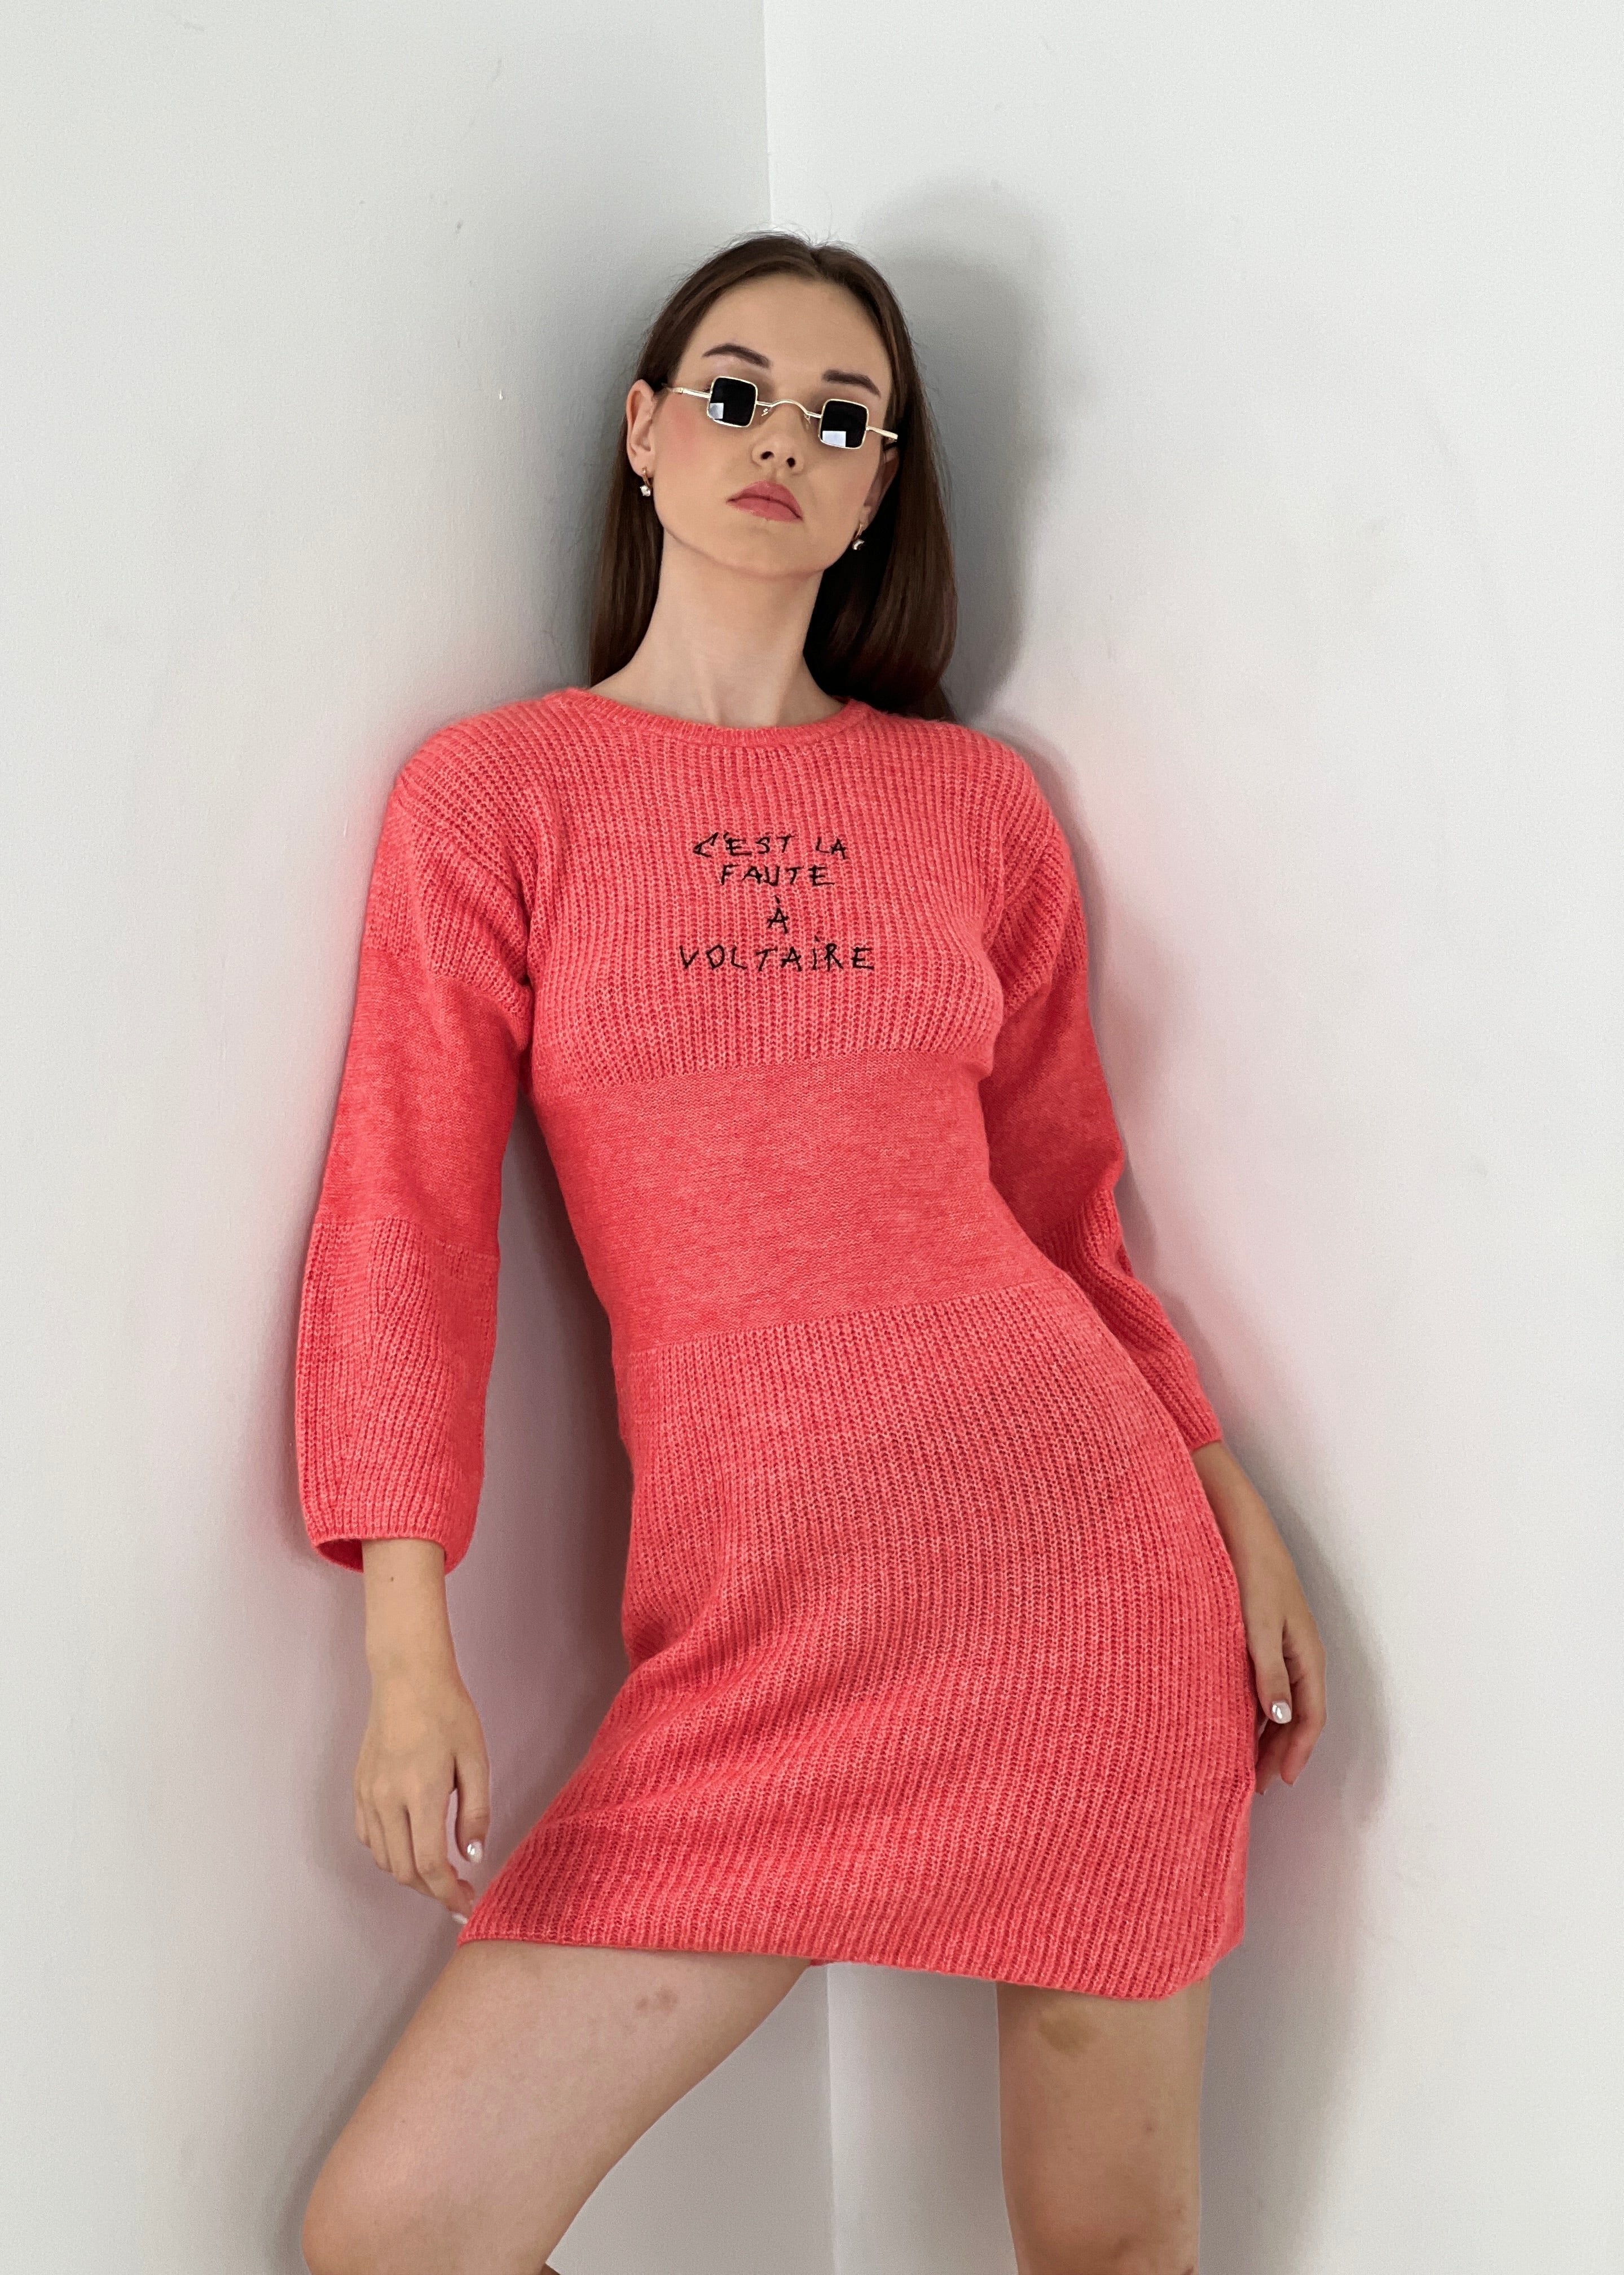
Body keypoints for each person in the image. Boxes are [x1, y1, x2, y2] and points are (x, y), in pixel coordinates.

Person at [296, 227, 1326, 2275]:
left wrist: (1223, 1491)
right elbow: (403, 1214)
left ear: (878, 492)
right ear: (645, 436)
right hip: (759, 1623)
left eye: (842, 418)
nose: (784, 439)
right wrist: (405, 1646)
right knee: (399, 2229)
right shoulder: (498, 801)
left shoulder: (977, 810)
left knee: (1112, 2251)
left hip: (1082, 1577)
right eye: (738, 393)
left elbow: (1068, 1211)